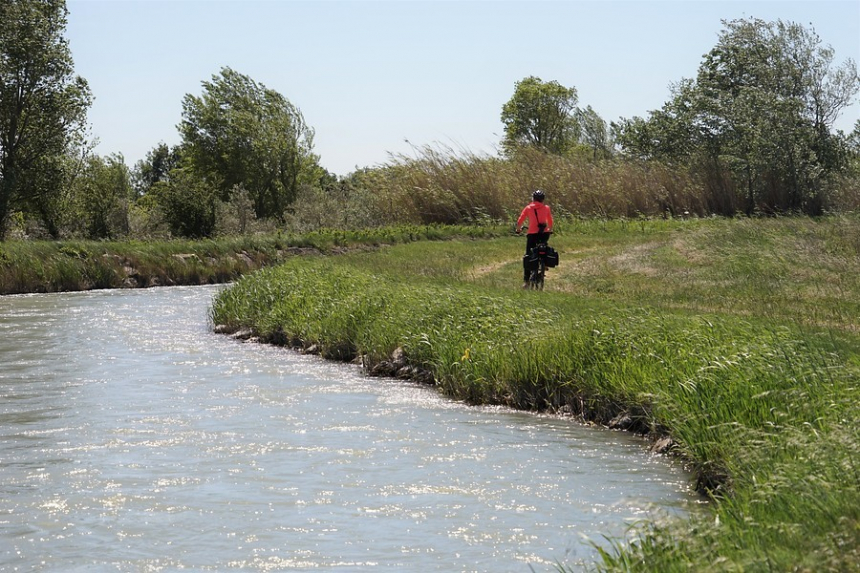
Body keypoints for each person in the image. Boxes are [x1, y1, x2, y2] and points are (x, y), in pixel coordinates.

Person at [515, 189, 553, 288]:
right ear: (543, 199)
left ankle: (526, 281)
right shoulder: (546, 208)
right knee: (544, 247)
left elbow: (520, 220)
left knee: (528, 255)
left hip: (532, 234)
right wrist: (550, 229)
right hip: (544, 233)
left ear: (533, 199)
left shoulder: (528, 208)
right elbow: (550, 221)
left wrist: (518, 229)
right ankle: (544, 263)